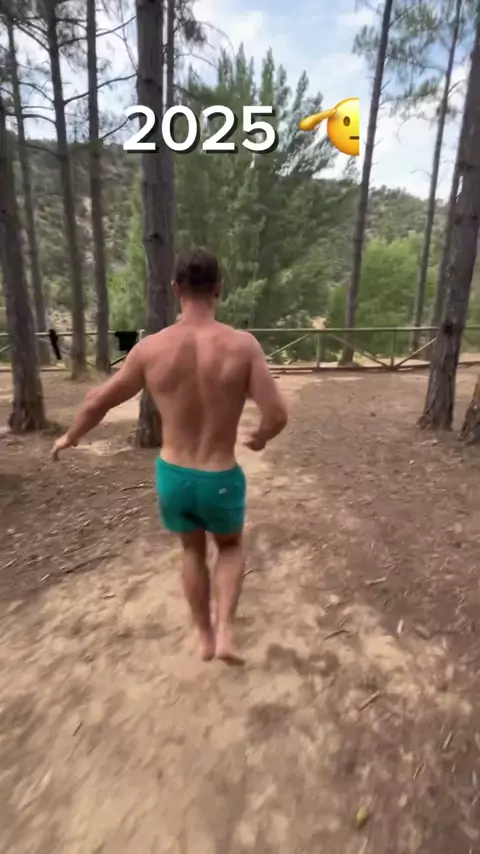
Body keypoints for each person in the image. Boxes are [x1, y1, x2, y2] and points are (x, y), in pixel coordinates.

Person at [52, 247, 288, 663]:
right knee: (229, 548)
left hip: (174, 477)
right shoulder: (243, 347)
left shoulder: (151, 349)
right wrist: (262, 437)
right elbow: (277, 415)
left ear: (176, 289)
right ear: (218, 289)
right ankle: (226, 633)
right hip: (220, 475)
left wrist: (70, 437)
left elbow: (96, 401)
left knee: (191, 551)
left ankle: (204, 636)